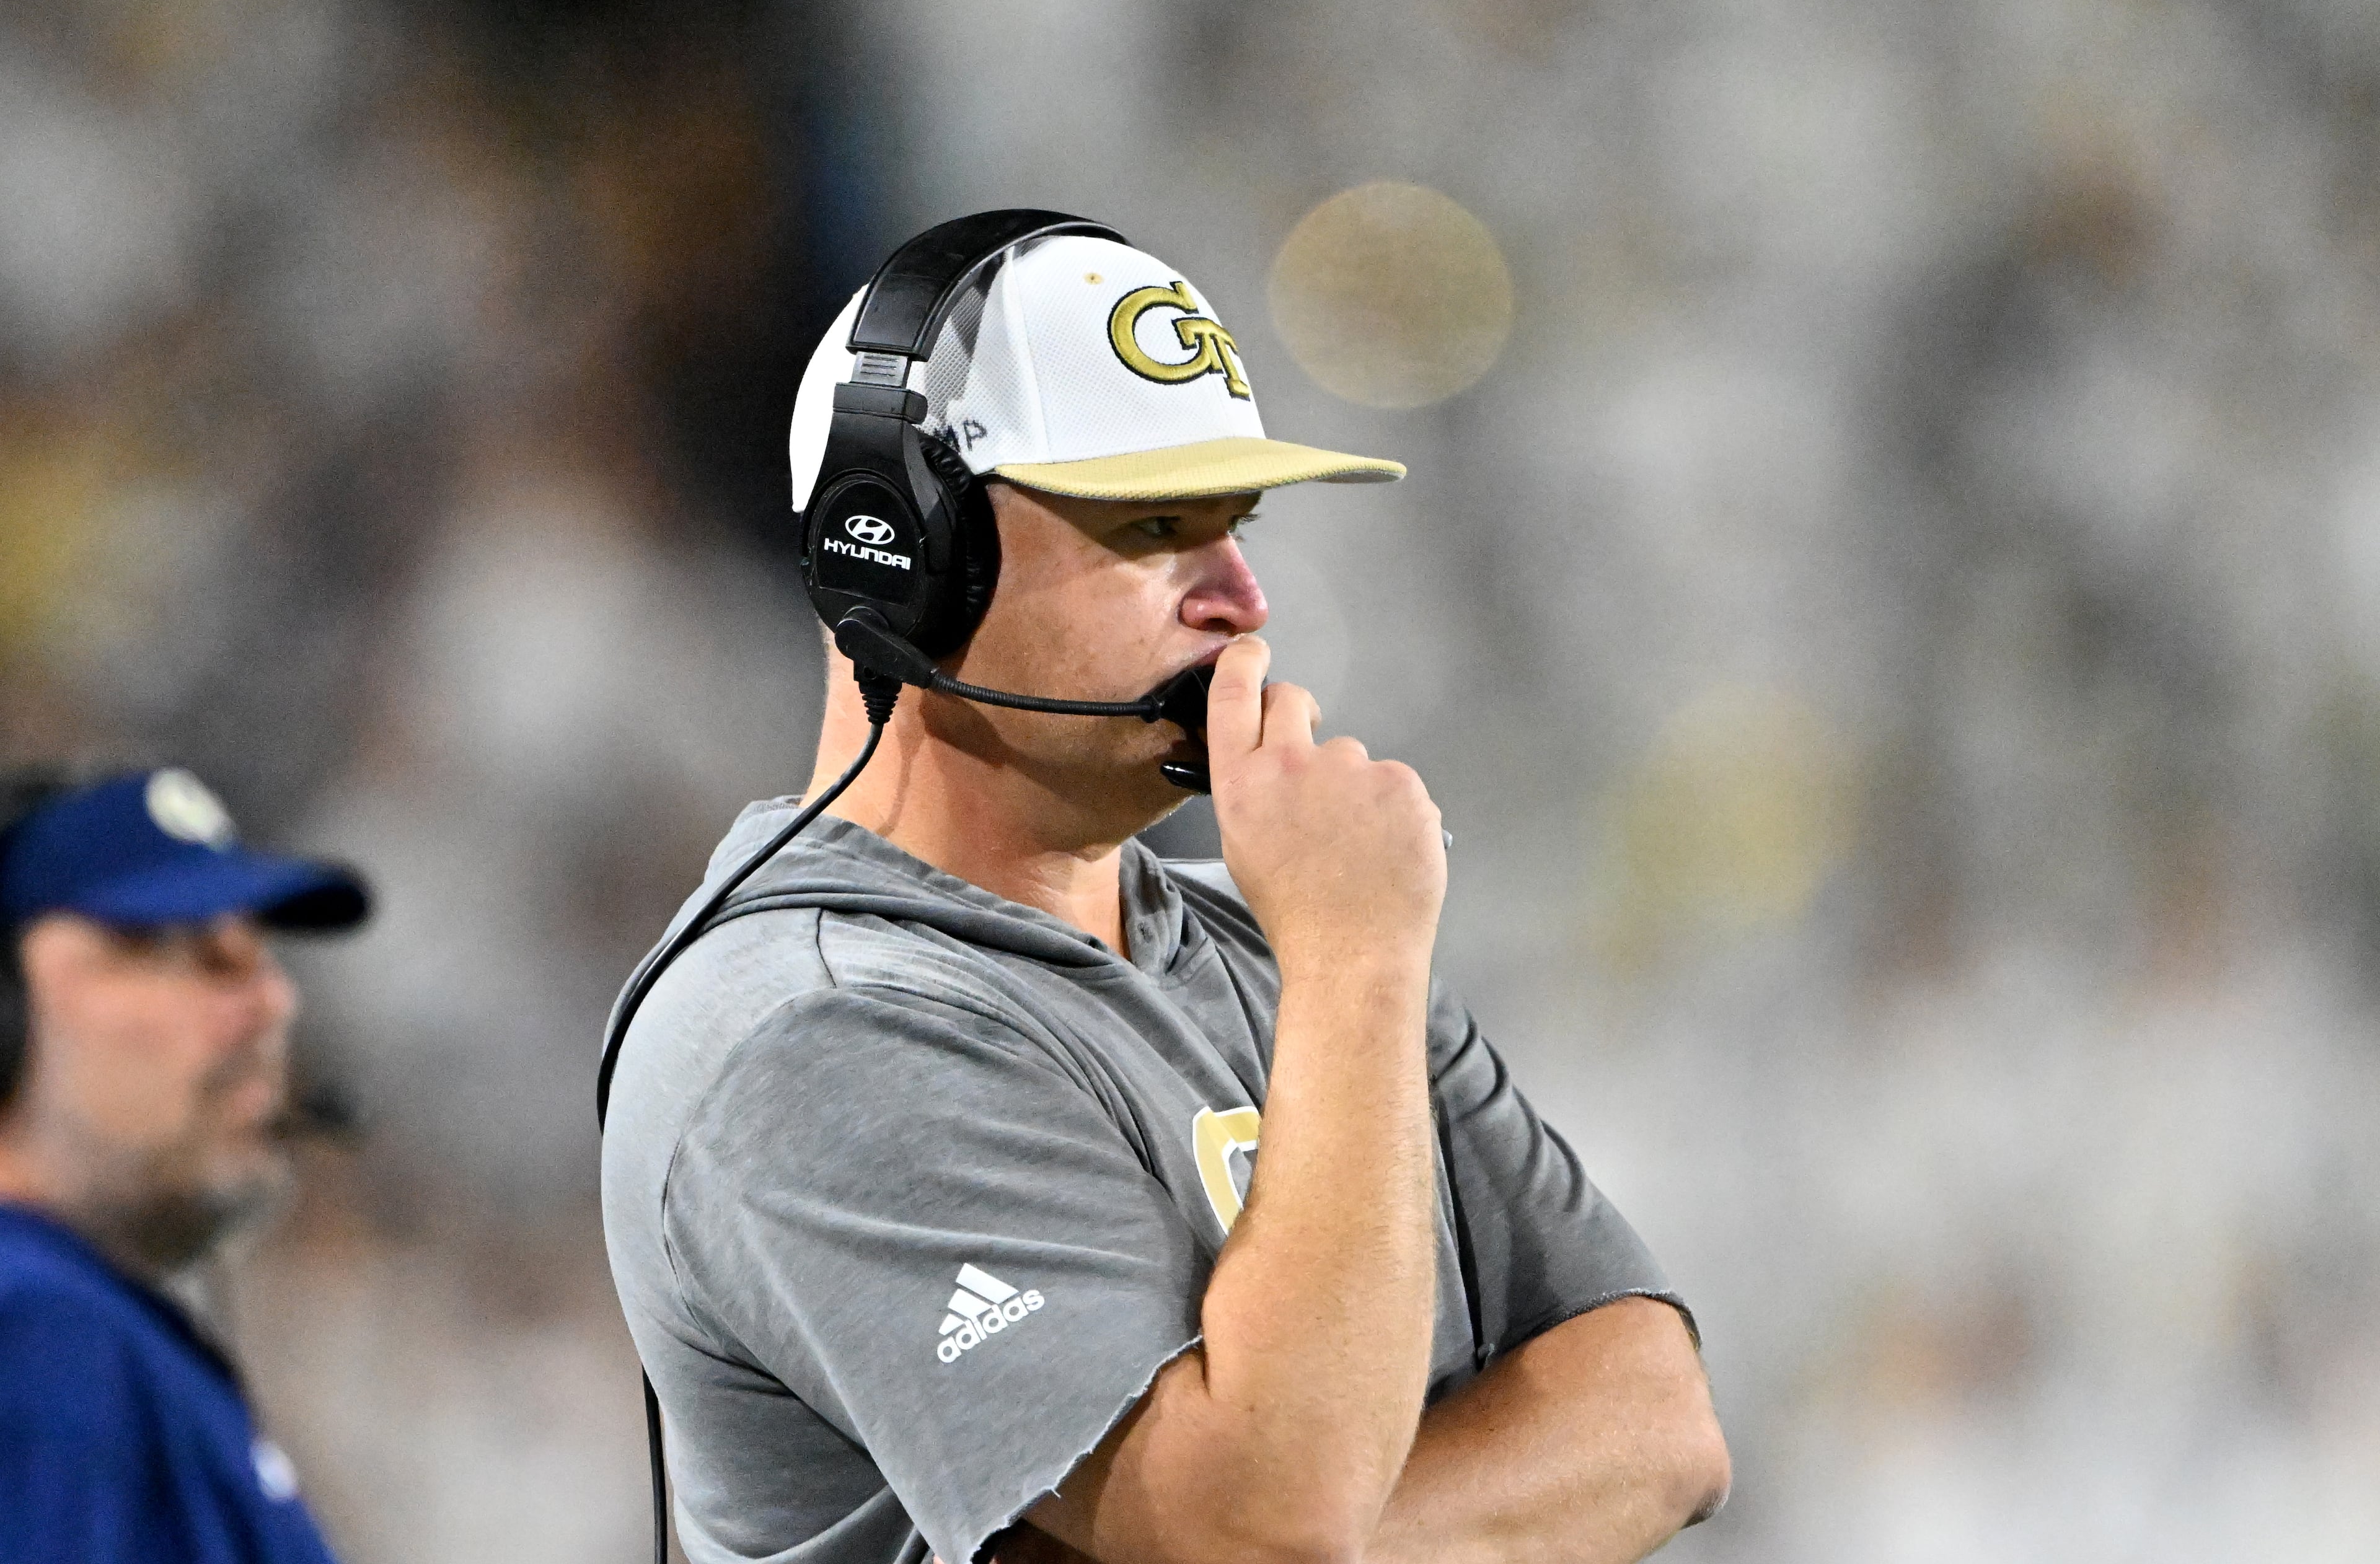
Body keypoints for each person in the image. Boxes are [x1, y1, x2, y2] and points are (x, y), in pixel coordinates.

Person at [600, 217, 1729, 1564]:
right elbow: (1257, 1533)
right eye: (1153, 525)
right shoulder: (804, 1033)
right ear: (895, 559)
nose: (1243, 598)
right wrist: (1361, 966)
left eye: (1235, 524)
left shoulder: (1275, 935)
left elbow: (1659, 1422)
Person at [0, 766, 369, 1564]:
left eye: (259, 954)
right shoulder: (38, 1339)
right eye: (174, 946)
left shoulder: (77, 1331)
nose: (272, 1001)